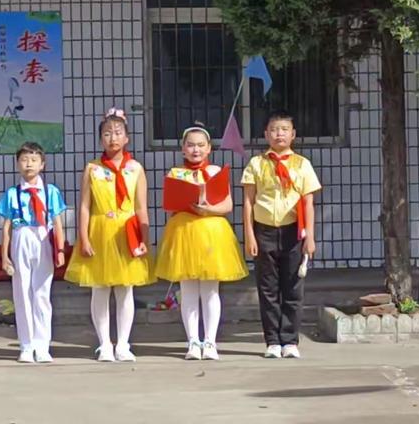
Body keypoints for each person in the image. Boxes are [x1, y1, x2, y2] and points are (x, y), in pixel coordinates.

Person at [65, 108, 154, 362]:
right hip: (100, 229)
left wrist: (144, 239)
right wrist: (84, 236)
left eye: (118, 133)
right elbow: (84, 205)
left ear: (127, 137)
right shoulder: (92, 168)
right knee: (100, 289)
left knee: (125, 290)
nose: (112, 138)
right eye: (107, 134)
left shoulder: (136, 168)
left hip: (127, 232)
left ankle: (123, 344)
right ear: (100, 139)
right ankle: (104, 343)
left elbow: (140, 207)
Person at [156, 122, 248, 360]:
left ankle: (210, 341)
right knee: (187, 290)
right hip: (184, 232)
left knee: (210, 290)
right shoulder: (175, 173)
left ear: (209, 148)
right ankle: (192, 342)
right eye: (190, 145)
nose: (195, 150)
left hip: (211, 233)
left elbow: (227, 204)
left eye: (200, 145)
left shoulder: (217, 171)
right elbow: (169, 204)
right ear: (183, 149)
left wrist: (209, 209)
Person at [241, 110, 321, 359]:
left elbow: (308, 202)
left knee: (293, 287)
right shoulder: (257, 163)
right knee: (267, 288)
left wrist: (310, 237)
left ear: (293, 134)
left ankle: (290, 339)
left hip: (293, 232)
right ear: (266, 134)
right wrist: (250, 236)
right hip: (264, 230)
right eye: (274, 129)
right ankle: (272, 340)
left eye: (284, 129)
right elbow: (248, 202)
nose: (279, 134)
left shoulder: (302, 164)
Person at [0, 141, 67, 363]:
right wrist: (5, 256)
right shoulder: (12, 193)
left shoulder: (50, 191)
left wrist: (61, 250)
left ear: (42, 164)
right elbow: (6, 227)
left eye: (34, 160)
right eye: (25, 160)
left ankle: (42, 345)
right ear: (18, 164)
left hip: (43, 237)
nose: (29, 165)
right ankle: (26, 345)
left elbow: (58, 222)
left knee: (42, 293)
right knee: (22, 293)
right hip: (21, 236)